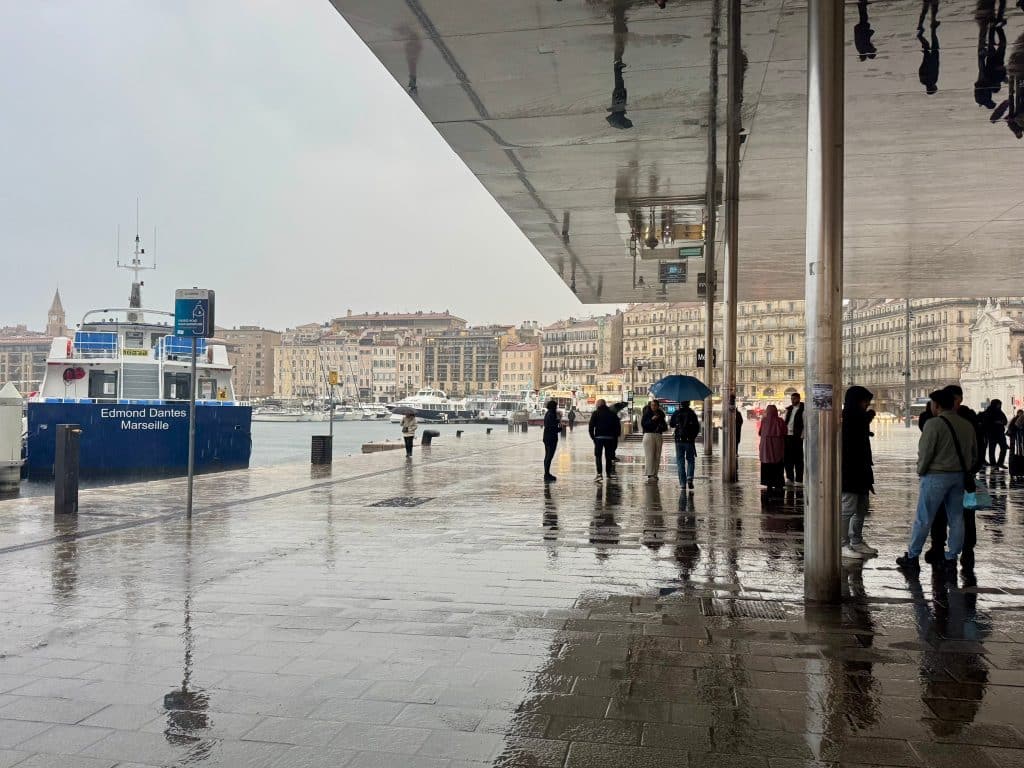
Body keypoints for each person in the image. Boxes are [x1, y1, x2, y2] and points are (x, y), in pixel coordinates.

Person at [898, 388, 978, 573]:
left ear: (937, 405)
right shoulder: (967, 425)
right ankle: (951, 558)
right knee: (957, 518)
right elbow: (973, 455)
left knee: (924, 518)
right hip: (959, 477)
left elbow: (925, 453)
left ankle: (912, 556)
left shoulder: (934, 424)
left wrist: (921, 470)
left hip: (936, 476)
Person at [922, 385, 981, 568]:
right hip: (954, 474)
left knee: (963, 515)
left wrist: (971, 469)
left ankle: (966, 548)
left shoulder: (968, 419)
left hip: (958, 475)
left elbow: (977, 448)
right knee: (943, 515)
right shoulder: (937, 418)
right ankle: (939, 546)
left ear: (960, 399)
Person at [841, 386, 877, 560]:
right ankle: (842, 543)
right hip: (849, 470)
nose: (867, 404)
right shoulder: (848, 417)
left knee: (862, 507)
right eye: (865, 401)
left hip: (862, 469)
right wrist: (868, 417)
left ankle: (856, 540)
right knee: (847, 508)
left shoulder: (859, 418)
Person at [669, 400, 700, 490]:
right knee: (690, 460)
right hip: (689, 441)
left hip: (679, 440)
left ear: (681, 404)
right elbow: (696, 428)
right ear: (689, 403)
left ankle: (683, 483)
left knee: (680, 461)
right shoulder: (692, 413)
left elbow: (671, 424)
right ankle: (689, 477)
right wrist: (692, 437)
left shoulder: (677, 413)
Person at [589, 399, 621, 483]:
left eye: (596, 404)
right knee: (608, 457)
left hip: (599, 438)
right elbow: (617, 427)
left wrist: (593, 437)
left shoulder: (595, 413)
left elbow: (591, 426)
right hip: (610, 438)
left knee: (598, 456)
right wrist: (615, 437)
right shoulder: (612, 414)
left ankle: (599, 474)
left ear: (599, 405)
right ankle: (608, 474)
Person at [757, 404, 787, 492]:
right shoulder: (780, 420)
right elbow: (784, 432)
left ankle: (768, 483)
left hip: (765, 447)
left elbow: (760, 432)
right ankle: (778, 483)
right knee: (777, 464)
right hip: (777, 446)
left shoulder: (764, 420)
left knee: (767, 465)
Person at [641, 398, 668, 482]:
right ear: (650, 405)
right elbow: (644, 425)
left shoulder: (661, 415)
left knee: (657, 455)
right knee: (649, 455)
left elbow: (665, 427)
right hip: (648, 435)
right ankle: (650, 473)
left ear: (658, 406)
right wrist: (652, 420)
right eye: (652, 405)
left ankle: (655, 473)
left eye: (655, 405)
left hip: (658, 435)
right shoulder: (646, 414)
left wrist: (660, 426)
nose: (653, 407)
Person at [783, 392, 805, 485]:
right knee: (787, 458)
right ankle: (789, 478)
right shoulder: (789, 409)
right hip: (788, 436)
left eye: (794, 399)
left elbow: (805, 423)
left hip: (797, 437)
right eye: (792, 399)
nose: (792, 401)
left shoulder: (803, 409)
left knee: (798, 458)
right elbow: (786, 421)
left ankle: (799, 479)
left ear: (799, 399)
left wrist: (802, 435)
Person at [981, 399, 1009, 468]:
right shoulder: (989, 412)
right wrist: (996, 422)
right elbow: (986, 422)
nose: (999, 406)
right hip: (992, 434)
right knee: (992, 449)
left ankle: (999, 463)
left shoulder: (1000, 412)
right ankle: (994, 463)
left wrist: (1000, 422)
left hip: (999, 433)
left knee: (1003, 448)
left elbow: (1005, 421)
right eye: (999, 404)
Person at [542, 400, 560, 483]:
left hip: (546, 437)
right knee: (549, 456)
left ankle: (547, 473)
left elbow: (548, 424)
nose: (556, 408)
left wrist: (557, 421)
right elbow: (551, 427)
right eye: (556, 406)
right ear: (553, 407)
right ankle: (547, 474)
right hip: (551, 438)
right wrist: (560, 429)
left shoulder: (548, 413)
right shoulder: (552, 414)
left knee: (547, 456)